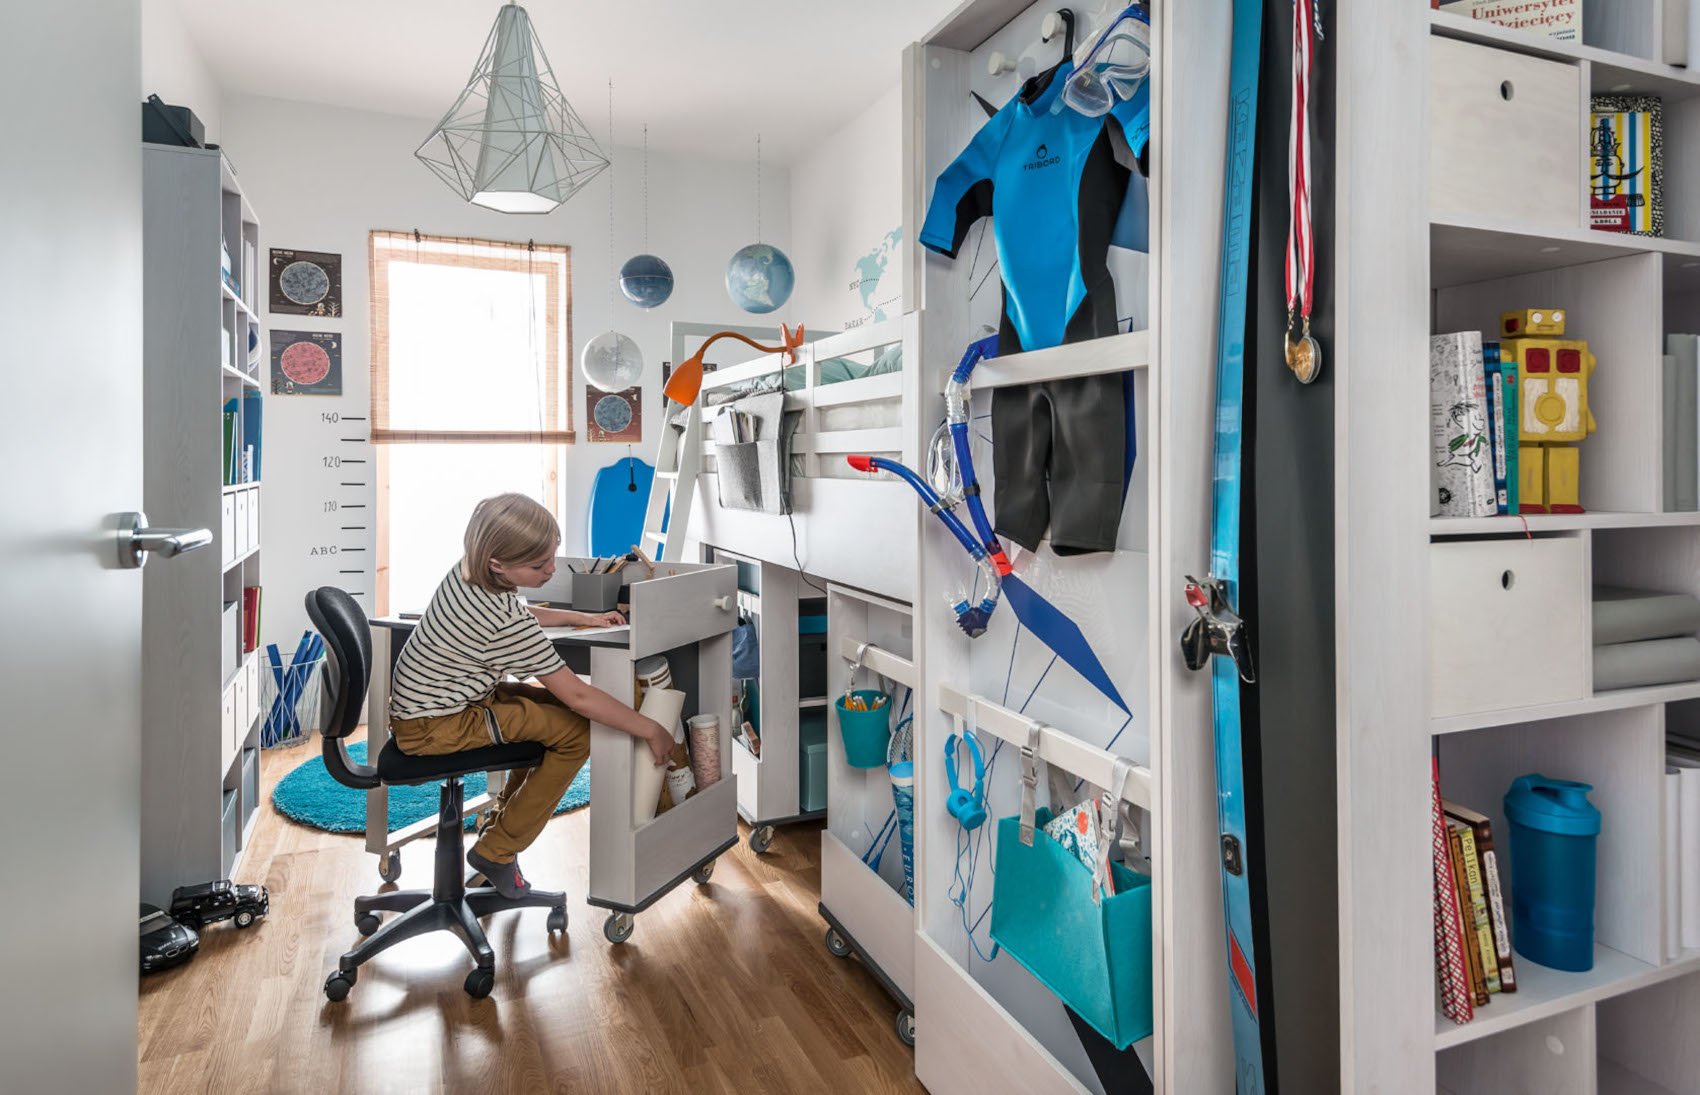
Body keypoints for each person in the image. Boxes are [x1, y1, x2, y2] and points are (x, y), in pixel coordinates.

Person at [388, 492, 672, 899]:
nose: (551, 570)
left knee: (555, 715)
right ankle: (498, 851)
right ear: (498, 563)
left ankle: (499, 829)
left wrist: (585, 618)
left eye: (551, 557)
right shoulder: (502, 621)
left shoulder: (469, 571)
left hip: (442, 706)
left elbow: (522, 613)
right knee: (580, 733)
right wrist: (650, 729)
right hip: (437, 726)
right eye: (539, 565)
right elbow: (579, 695)